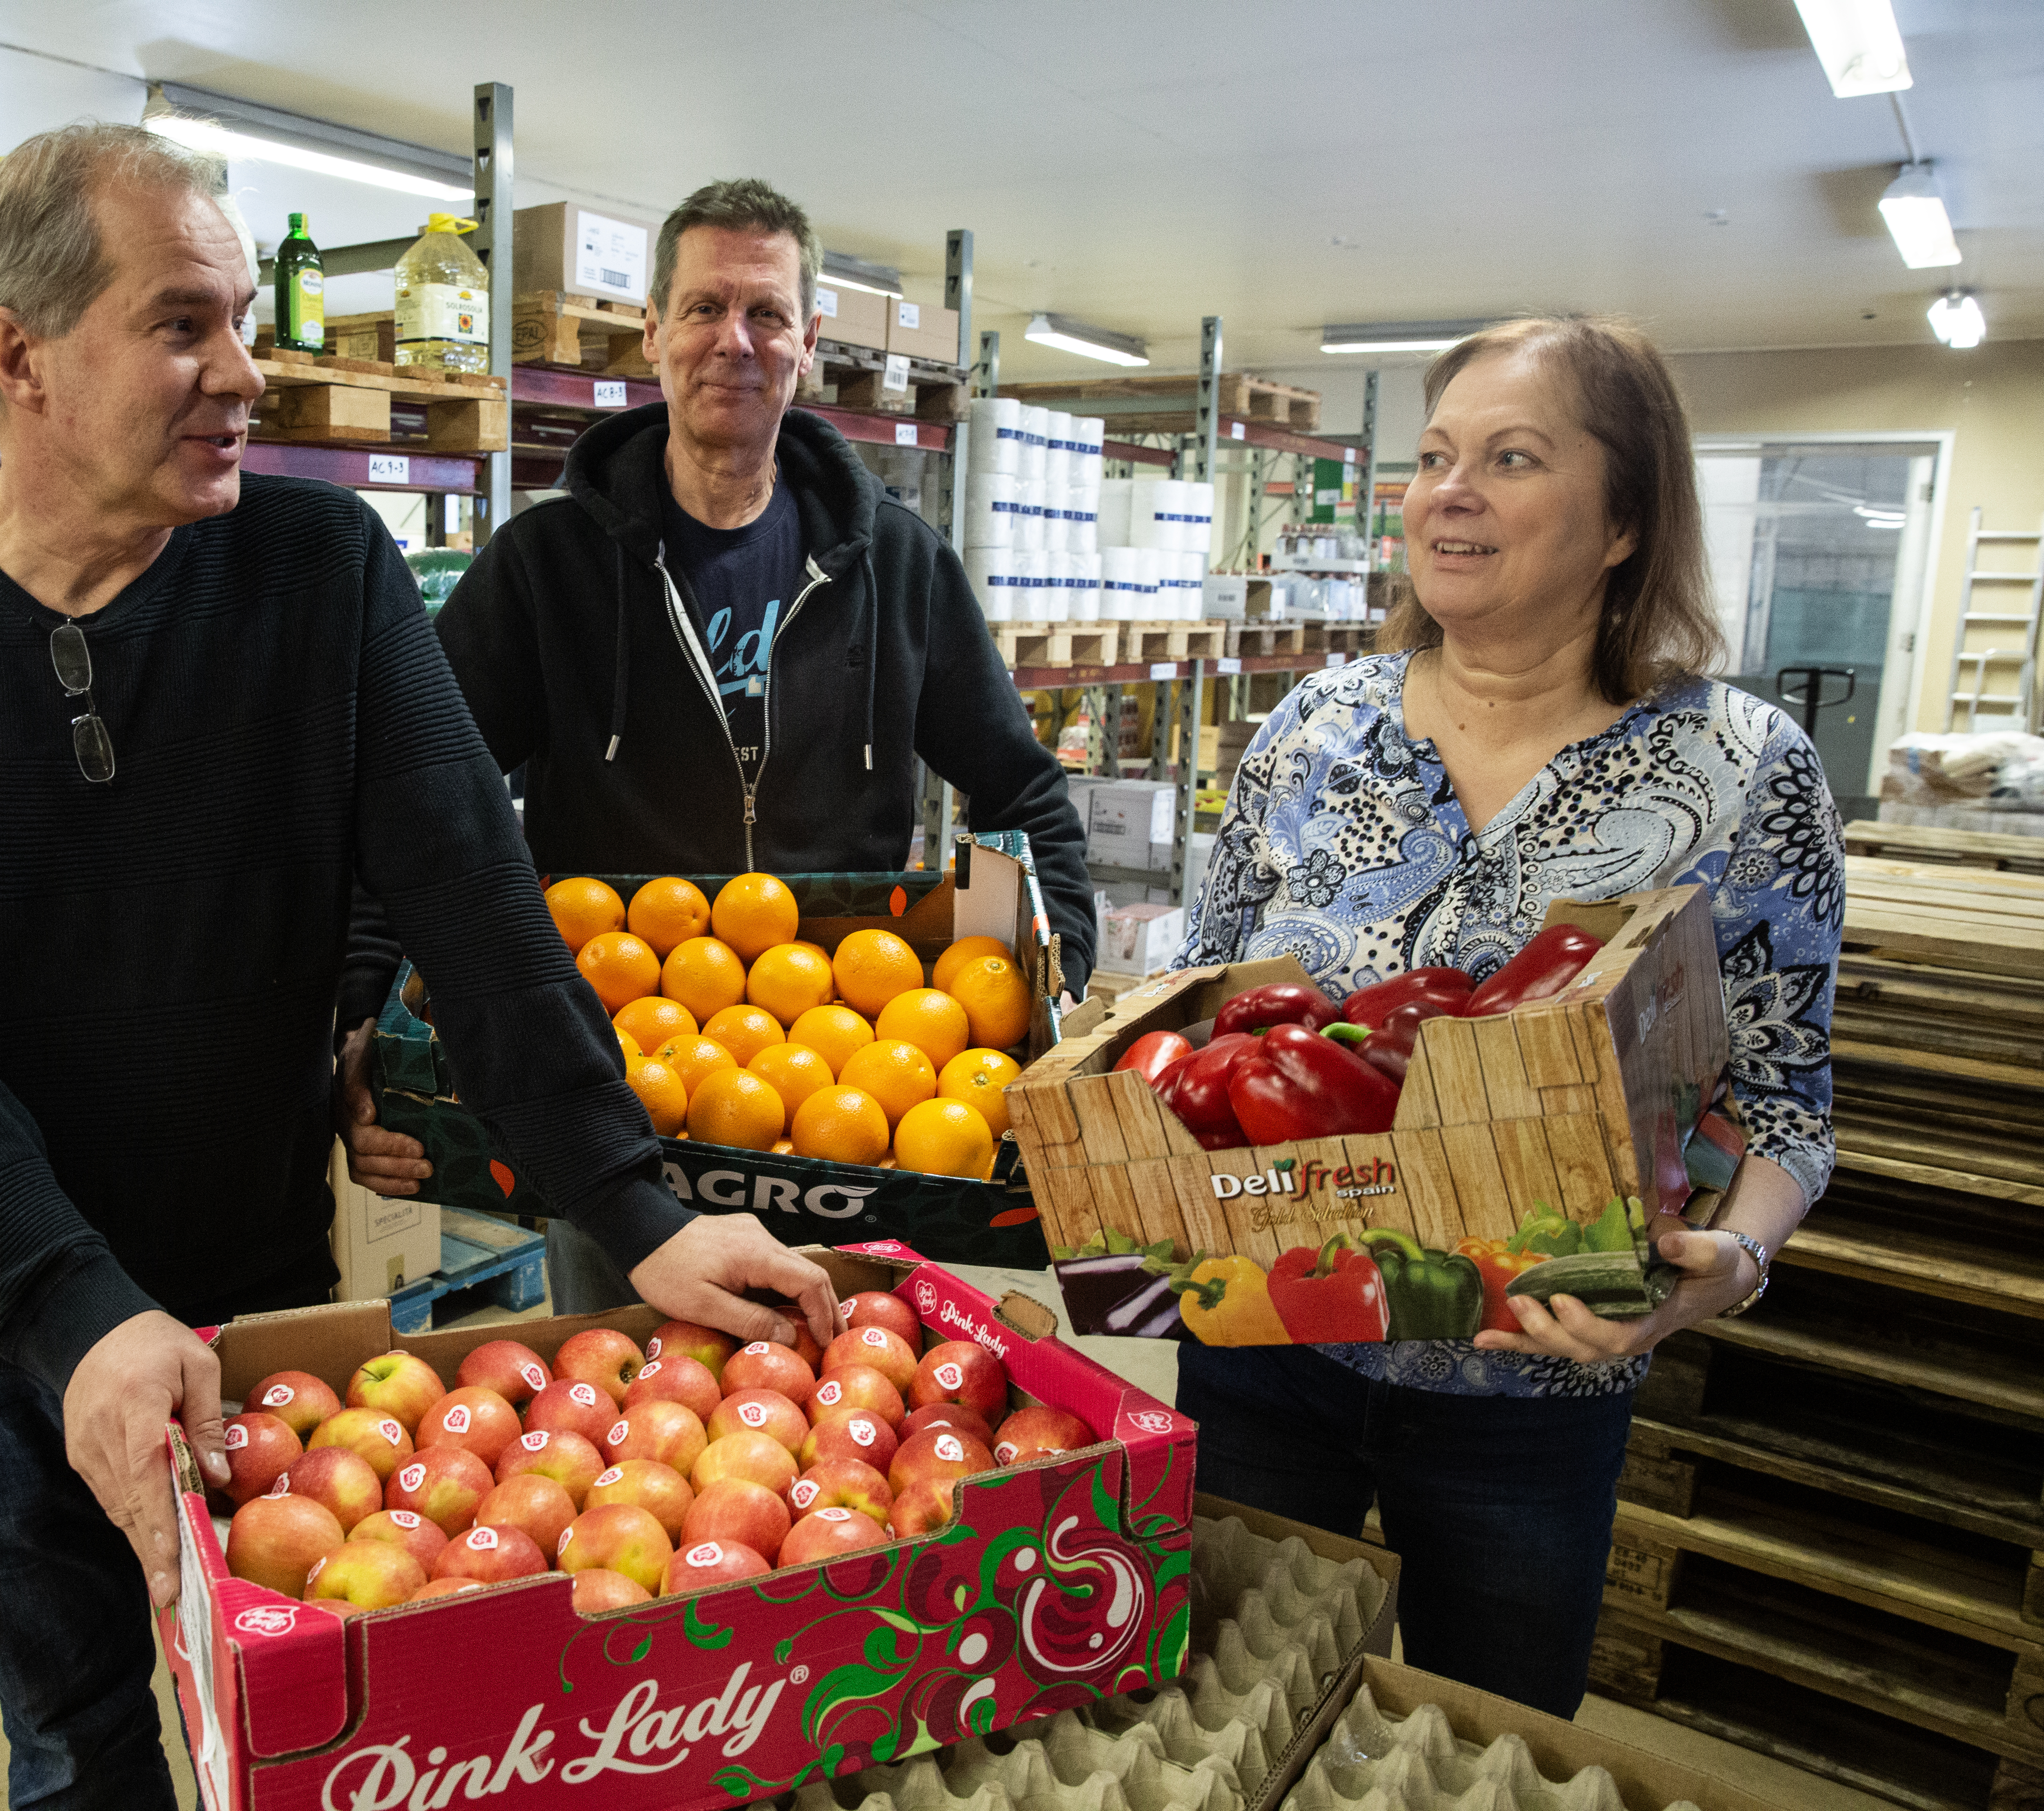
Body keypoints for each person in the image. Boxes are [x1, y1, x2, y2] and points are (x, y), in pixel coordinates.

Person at [0, 124, 836, 1810]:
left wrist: (641, 1209)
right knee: (81, 1743)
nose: (247, 373)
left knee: (315, 1743)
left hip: (253, 1323)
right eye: (184, 326)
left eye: (242, 316)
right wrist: (71, 1313)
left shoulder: (317, 572)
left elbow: (476, 905)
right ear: (21, 355)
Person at [1173, 315, 1839, 1715]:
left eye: (1511, 457)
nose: (1447, 492)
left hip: (1535, 1384)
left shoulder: (1740, 771)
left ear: (1623, 522)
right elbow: (1206, 1015)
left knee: (1493, 1731)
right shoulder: (1311, 730)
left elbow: (1786, 1098)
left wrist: (1732, 1263)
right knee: (1215, 1710)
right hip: (1261, 1349)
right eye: (1432, 458)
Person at [336, 178, 1095, 1313]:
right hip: (620, 1090)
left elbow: (1019, 786)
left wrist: (1058, 987)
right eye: (702, 309)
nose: (732, 342)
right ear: (653, 333)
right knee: (629, 1415)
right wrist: (367, 1028)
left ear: (808, 342)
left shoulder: (897, 562)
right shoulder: (546, 568)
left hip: (864, 1095)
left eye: (766, 313)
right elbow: (411, 802)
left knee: (850, 1415)